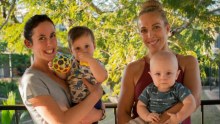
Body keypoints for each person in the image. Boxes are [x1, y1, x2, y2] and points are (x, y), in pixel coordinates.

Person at [117, 0, 201, 124]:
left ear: (167, 28)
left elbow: (194, 101)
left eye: (156, 27)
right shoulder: (132, 69)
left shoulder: (187, 62)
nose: (150, 35)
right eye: (144, 30)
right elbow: (122, 115)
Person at [19, 14, 104, 124]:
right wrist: (96, 95)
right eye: (42, 38)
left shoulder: (64, 69)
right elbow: (61, 122)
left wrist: (100, 113)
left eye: (52, 35)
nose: (49, 43)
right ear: (28, 43)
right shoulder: (32, 80)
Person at [51, 26, 108, 110]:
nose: (83, 51)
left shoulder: (96, 63)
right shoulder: (70, 63)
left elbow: (102, 78)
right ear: (71, 51)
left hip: (93, 103)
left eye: (86, 46)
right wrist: (57, 68)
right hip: (75, 103)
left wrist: (90, 60)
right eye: (77, 48)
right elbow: (63, 76)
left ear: (94, 46)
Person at [135, 51, 196, 124]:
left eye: (168, 73)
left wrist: (178, 117)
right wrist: (147, 115)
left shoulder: (178, 89)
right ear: (151, 75)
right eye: (158, 74)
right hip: (150, 120)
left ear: (177, 74)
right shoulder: (149, 89)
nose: (163, 77)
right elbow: (140, 105)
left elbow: (191, 103)